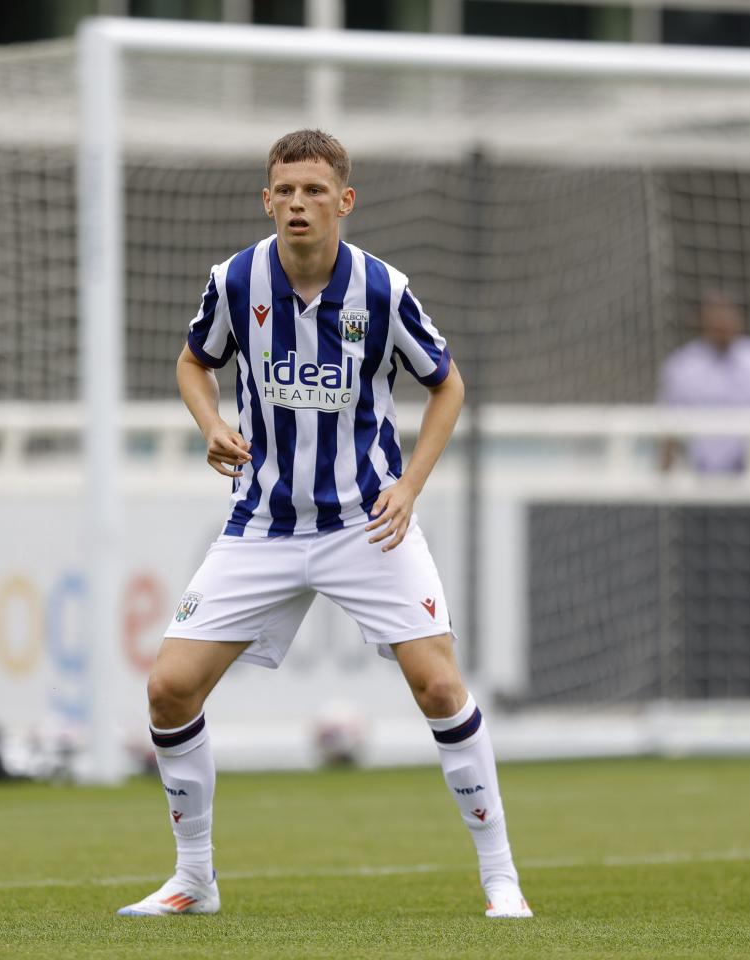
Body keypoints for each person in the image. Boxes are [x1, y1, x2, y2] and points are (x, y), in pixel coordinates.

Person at [116, 130, 532, 920]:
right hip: (263, 526)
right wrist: (208, 423)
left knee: (439, 684)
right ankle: (193, 878)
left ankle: (501, 878)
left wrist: (410, 485)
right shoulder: (235, 281)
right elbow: (192, 361)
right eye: (284, 190)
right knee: (169, 689)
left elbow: (447, 385)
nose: (297, 204)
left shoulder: (382, 289)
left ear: (344, 201)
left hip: (364, 525)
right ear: (266, 199)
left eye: (313, 191)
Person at [658, 291, 750, 473]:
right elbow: (667, 428)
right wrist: (663, 483)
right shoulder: (682, 367)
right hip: (699, 473)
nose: (720, 323)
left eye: (725, 316)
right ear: (702, 321)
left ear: (739, 318)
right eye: (713, 318)